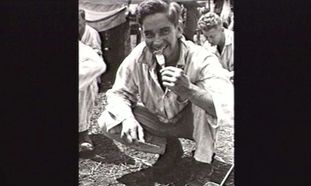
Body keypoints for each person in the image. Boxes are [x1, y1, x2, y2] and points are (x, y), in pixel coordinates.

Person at [98, 0, 233, 176]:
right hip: (160, 121)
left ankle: (202, 163)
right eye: (149, 34)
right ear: (142, 33)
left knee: (201, 94)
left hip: (192, 125)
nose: (157, 41)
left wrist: (189, 90)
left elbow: (228, 107)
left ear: (178, 29)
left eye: (164, 31)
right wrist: (127, 118)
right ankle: (169, 149)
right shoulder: (138, 57)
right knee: (109, 121)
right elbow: (118, 93)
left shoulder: (201, 59)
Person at [79, 10, 106, 156]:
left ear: (84, 19)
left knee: (85, 87)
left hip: (89, 73)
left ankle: (83, 132)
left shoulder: (91, 34)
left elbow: (96, 62)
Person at [198, 12, 234, 81]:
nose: (209, 40)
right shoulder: (207, 46)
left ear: (222, 30)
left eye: (212, 36)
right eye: (206, 37)